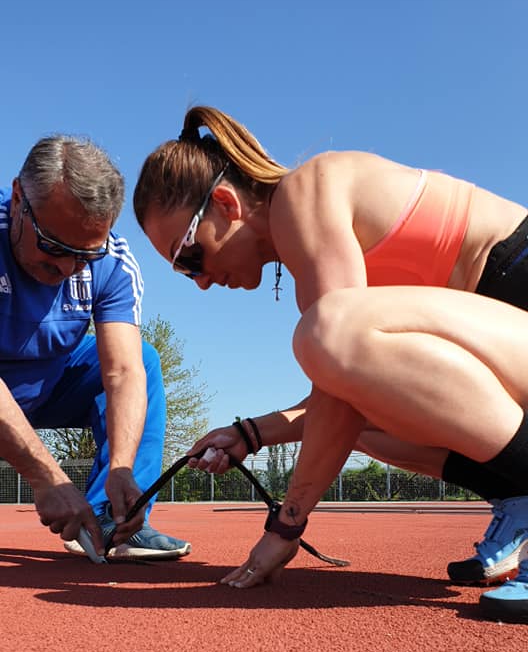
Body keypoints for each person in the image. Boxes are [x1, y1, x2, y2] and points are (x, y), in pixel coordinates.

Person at [132, 105, 528, 621]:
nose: (200, 280)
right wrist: (250, 434)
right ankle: (517, 497)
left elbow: (336, 385)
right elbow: (345, 400)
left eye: (189, 257)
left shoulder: (304, 193)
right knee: (360, 400)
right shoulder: (307, 238)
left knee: (328, 332)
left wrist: (286, 527)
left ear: (226, 206)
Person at [0, 134, 191, 561]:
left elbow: (122, 371)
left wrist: (121, 469)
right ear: (17, 198)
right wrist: (47, 477)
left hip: (47, 384)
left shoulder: (116, 262)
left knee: (143, 358)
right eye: (53, 247)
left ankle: (112, 519)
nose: (67, 268)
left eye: (84, 256)